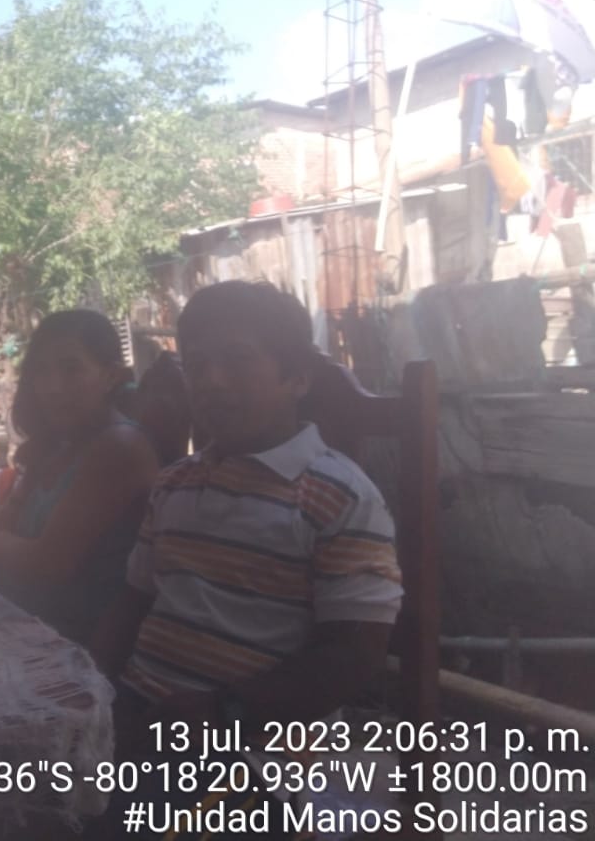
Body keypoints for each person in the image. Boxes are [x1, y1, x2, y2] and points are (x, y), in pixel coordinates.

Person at [87, 281, 403, 839]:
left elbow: (354, 656)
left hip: (256, 754)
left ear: (297, 377)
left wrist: (223, 713)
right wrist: (89, 685)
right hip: (142, 718)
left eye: (236, 360)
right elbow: (133, 602)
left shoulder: (339, 497)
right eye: (197, 365)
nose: (211, 380)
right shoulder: (174, 485)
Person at [0, 310, 158, 645]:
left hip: (72, 645)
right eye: (42, 371)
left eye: (71, 369)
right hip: (18, 624)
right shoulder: (58, 445)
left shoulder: (119, 448)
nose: (53, 387)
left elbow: (47, 565)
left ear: (110, 376)